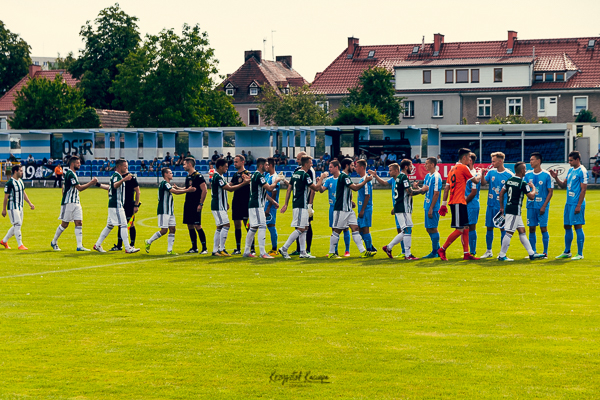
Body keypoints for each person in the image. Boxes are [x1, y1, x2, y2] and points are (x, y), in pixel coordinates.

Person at [437, 148, 481, 261]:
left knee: (466, 228)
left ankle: (466, 253)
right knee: (460, 229)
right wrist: (480, 173)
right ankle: (442, 249)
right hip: (457, 202)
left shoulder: (452, 169)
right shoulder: (463, 167)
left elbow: (446, 188)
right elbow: (475, 180)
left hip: (458, 202)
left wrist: (443, 204)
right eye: (469, 157)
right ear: (465, 157)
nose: (470, 160)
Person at [278, 156, 326, 259]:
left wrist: (286, 203)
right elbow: (316, 188)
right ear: (305, 164)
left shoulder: (295, 174)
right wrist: (322, 178)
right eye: (310, 162)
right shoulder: (305, 175)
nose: (311, 164)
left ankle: (303, 252)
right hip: (301, 205)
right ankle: (284, 248)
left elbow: (289, 188)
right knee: (300, 228)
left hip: (297, 204)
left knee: (305, 228)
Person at [497, 162, 546, 261]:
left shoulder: (509, 180)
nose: (526, 171)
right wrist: (533, 187)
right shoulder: (522, 183)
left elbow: (501, 193)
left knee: (522, 231)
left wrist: (502, 207)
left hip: (510, 208)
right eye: (525, 169)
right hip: (515, 210)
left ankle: (531, 254)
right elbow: (531, 197)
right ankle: (502, 255)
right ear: (522, 170)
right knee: (509, 232)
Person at [50, 156, 99, 251]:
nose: (79, 164)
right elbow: (79, 188)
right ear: (72, 164)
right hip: (69, 202)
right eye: (78, 163)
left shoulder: (72, 174)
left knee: (79, 222)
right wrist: (91, 183)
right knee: (64, 224)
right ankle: (54, 242)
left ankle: (79, 246)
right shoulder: (70, 174)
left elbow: (64, 186)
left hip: (76, 201)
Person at [144, 168, 196, 255]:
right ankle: (148, 241)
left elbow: (175, 189)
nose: (172, 174)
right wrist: (187, 190)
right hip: (164, 210)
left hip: (170, 211)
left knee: (172, 229)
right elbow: (175, 192)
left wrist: (182, 188)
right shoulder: (164, 183)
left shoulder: (167, 184)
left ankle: (169, 250)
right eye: (170, 173)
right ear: (165, 174)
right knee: (164, 230)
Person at [93, 160, 140, 254]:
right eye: (125, 167)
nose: (126, 168)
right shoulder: (117, 176)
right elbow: (114, 185)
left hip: (113, 205)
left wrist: (98, 185)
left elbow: (110, 187)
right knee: (124, 225)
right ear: (119, 166)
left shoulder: (115, 176)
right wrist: (124, 179)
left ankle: (97, 245)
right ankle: (128, 248)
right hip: (117, 205)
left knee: (109, 226)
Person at [377, 160, 419, 260]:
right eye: (410, 166)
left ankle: (388, 247)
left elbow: (400, 193)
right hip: (403, 208)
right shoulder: (403, 177)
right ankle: (408, 255)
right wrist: (422, 190)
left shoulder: (398, 178)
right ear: (406, 167)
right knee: (407, 230)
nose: (411, 168)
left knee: (406, 230)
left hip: (401, 208)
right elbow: (410, 192)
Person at [550, 151, 587, 260]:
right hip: (568, 203)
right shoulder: (571, 170)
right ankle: (567, 251)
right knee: (566, 226)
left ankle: (580, 254)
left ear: (577, 160)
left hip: (576, 203)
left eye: (571, 160)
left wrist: (579, 205)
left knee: (577, 226)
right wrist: (556, 178)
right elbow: (563, 185)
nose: (569, 162)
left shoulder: (582, 171)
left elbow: (583, 190)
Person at [210, 159, 250, 256]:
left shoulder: (220, 176)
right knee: (226, 225)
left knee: (219, 227)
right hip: (218, 206)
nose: (227, 168)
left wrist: (226, 202)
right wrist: (244, 183)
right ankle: (221, 249)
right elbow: (230, 189)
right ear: (220, 167)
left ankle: (215, 250)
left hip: (221, 205)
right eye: (225, 166)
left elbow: (224, 189)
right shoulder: (218, 177)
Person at [243, 158, 280, 258]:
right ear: (261, 165)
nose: (268, 166)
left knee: (253, 228)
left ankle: (246, 251)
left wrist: (272, 201)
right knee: (262, 226)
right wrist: (277, 180)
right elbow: (269, 188)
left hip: (253, 205)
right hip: (257, 205)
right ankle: (263, 252)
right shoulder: (259, 175)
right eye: (266, 165)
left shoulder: (255, 175)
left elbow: (263, 192)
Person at [480, 152, 513, 259]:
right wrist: (482, 174)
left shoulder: (509, 175)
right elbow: (483, 183)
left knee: (503, 229)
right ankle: (488, 251)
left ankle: (502, 253)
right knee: (489, 227)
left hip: (502, 206)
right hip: (491, 205)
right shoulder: (491, 172)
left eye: (494, 161)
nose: (492, 163)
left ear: (500, 161)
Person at [317, 160, 351, 257]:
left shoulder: (343, 177)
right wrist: (319, 182)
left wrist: (350, 201)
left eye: (331, 167)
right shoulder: (329, 180)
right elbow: (321, 190)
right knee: (334, 229)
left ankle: (347, 250)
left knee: (345, 228)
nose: (329, 169)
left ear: (336, 167)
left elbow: (349, 190)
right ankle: (334, 251)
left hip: (342, 207)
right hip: (332, 208)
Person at [412, 157, 443, 258]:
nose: (425, 165)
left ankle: (435, 252)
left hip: (433, 207)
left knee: (433, 228)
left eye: (427, 163)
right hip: (427, 205)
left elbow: (436, 193)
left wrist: (431, 208)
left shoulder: (437, 176)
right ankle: (437, 250)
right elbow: (424, 191)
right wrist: (418, 188)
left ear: (433, 165)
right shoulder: (427, 176)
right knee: (428, 229)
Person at [524, 152, 554, 257]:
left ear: (538, 161)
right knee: (531, 228)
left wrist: (544, 206)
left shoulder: (546, 175)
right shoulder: (527, 175)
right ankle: (533, 252)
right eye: (530, 160)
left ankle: (545, 252)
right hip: (531, 206)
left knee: (543, 228)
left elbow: (550, 191)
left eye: (532, 159)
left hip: (542, 206)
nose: (530, 162)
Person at [0, 165, 35, 250]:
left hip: (20, 207)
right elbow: (5, 197)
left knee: (17, 225)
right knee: (18, 224)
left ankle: (4, 241)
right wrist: (4, 209)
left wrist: (30, 203)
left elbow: (23, 193)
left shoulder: (20, 181)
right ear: (15, 171)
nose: (22, 172)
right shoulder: (10, 183)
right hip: (12, 207)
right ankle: (20, 245)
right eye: (20, 171)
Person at [290, 151, 317, 256]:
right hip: (298, 201)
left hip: (306, 202)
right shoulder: (297, 170)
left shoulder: (310, 171)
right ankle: (299, 249)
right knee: (298, 226)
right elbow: (293, 186)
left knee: (307, 225)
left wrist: (310, 204)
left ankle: (307, 248)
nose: (297, 161)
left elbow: (313, 189)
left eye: (298, 159)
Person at [109, 170, 140, 251]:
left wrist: (136, 205)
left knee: (130, 223)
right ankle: (119, 245)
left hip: (129, 204)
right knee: (121, 224)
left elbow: (138, 191)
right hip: (121, 204)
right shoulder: (119, 177)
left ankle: (132, 244)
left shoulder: (131, 177)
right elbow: (112, 187)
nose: (126, 168)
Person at [182, 157, 208, 254]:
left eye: (184, 164)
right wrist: (179, 188)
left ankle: (204, 248)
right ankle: (194, 247)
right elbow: (187, 188)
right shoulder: (188, 176)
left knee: (197, 225)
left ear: (189, 164)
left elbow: (204, 190)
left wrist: (201, 203)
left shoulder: (198, 176)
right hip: (188, 203)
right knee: (190, 225)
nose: (183, 166)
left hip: (195, 204)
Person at [230, 154, 253, 255]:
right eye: (234, 162)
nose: (235, 163)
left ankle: (252, 248)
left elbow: (252, 185)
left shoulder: (248, 174)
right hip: (236, 203)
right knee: (237, 225)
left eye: (236, 162)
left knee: (248, 225)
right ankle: (238, 248)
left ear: (242, 162)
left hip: (245, 203)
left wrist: (248, 181)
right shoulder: (235, 175)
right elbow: (230, 185)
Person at [355, 159, 376, 253]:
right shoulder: (362, 179)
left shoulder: (366, 180)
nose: (355, 168)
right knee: (359, 229)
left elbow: (368, 196)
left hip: (366, 208)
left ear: (362, 167)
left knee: (365, 228)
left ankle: (369, 249)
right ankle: (370, 246)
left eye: (357, 166)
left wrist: (363, 210)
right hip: (362, 208)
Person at [264, 157, 283, 256]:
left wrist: (268, 207)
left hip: (270, 206)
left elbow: (274, 194)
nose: (266, 166)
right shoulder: (267, 175)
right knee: (257, 224)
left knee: (271, 226)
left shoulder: (275, 178)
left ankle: (274, 249)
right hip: (264, 204)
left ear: (270, 165)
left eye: (267, 165)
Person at [465, 153, 481, 256]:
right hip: (466, 203)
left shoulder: (473, 173)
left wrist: (464, 202)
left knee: (471, 227)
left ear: (470, 161)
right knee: (464, 227)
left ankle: (472, 250)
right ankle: (467, 250)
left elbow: (473, 192)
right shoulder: (466, 172)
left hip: (471, 203)